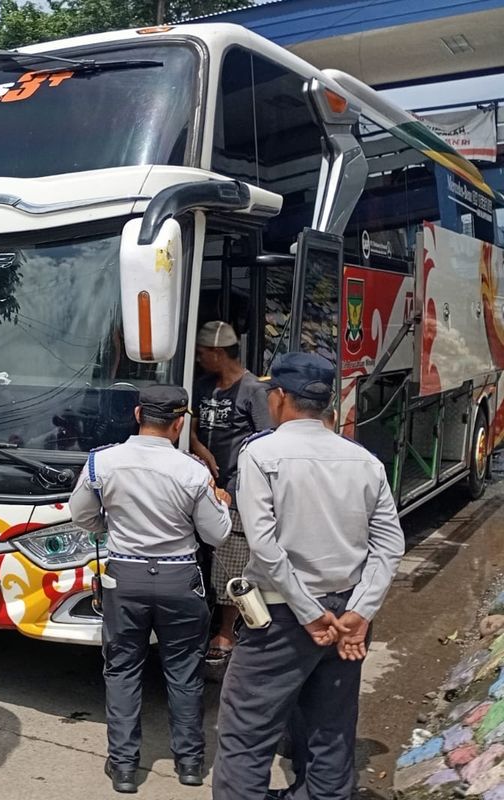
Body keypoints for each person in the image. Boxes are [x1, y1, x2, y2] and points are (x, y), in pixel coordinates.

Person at [211, 352, 405, 800]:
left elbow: (264, 545)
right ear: (327, 404)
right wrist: (360, 610)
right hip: (349, 618)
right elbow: (389, 545)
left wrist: (309, 611)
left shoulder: (261, 453)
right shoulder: (365, 460)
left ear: (278, 397)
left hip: (282, 617)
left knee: (246, 730)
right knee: (332, 725)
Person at [70, 384, 232, 794]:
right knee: (184, 672)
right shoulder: (193, 471)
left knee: (122, 669)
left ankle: (124, 767)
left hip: (125, 578)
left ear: (138, 414)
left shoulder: (100, 462)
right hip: (180, 579)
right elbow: (216, 535)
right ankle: (191, 764)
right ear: (179, 423)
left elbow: (83, 516)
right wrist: (222, 503)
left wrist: (115, 526)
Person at [189, 321, 271, 663]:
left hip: (235, 489)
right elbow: (189, 426)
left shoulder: (253, 391)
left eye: (202, 354)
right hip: (201, 484)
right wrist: (200, 451)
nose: (198, 360)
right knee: (204, 556)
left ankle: (226, 632)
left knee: (231, 561)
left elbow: (266, 442)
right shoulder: (204, 385)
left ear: (218, 353)